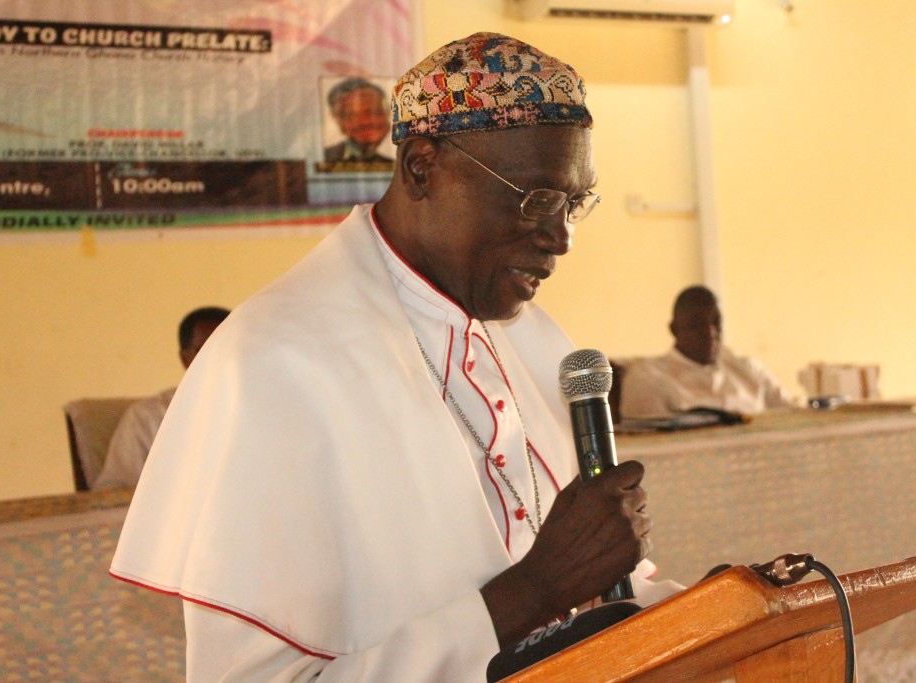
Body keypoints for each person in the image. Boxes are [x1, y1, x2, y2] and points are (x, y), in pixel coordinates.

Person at [111, 33, 681, 681]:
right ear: (421, 168)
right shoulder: (274, 365)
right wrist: (535, 590)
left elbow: (600, 604)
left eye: (575, 202)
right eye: (536, 200)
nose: (562, 237)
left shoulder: (528, 335)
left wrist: (733, 603)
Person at [92, 306, 229, 490]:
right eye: (205, 350)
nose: (220, 358)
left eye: (229, 348)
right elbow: (112, 494)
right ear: (185, 359)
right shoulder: (147, 418)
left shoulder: (264, 410)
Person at [620, 285, 796, 419]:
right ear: (674, 329)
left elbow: (794, 415)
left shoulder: (749, 370)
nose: (710, 332)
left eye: (716, 322)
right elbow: (652, 444)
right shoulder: (647, 378)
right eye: (697, 324)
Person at [323, 77, 393, 164]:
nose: (365, 121)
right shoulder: (323, 159)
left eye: (375, 112)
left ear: (388, 113)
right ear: (337, 119)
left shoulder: (398, 163)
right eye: (351, 115)